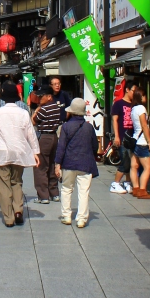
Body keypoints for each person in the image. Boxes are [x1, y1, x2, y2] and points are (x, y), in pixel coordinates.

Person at [0, 82, 40, 226]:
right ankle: (18, 210)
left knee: (4, 184)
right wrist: (36, 152)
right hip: (19, 151)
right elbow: (31, 134)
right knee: (17, 181)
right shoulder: (23, 113)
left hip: (1, 152)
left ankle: (9, 217)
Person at [55, 97, 99, 227]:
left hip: (68, 163)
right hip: (85, 163)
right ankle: (81, 218)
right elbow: (95, 146)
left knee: (66, 189)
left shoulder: (66, 127)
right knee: (83, 191)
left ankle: (66, 215)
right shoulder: (89, 127)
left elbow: (61, 147)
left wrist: (57, 164)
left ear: (71, 111)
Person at [32, 84, 61, 203]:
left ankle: (43, 196)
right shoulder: (56, 107)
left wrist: (37, 109)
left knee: (40, 166)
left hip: (44, 137)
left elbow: (33, 121)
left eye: (42, 96)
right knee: (52, 164)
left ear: (49, 96)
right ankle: (54, 193)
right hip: (54, 137)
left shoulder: (44, 109)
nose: (39, 99)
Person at [110, 80, 137, 195]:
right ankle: (115, 183)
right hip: (123, 137)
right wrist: (117, 136)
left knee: (131, 161)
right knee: (125, 160)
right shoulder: (118, 104)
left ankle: (127, 182)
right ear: (127, 90)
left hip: (133, 137)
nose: (135, 93)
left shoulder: (135, 105)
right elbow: (114, 120)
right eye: (133, 91)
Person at [129, 88, 150, 200]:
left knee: (134, 166)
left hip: (135, 140)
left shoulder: (133, 109)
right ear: (141, 97)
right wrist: (149, 141)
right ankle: (142, 191)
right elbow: (144, 126)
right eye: (144, 96)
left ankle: (135, 188)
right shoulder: (141, 108)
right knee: (148, 167)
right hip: (142, 142)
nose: (146, 98)